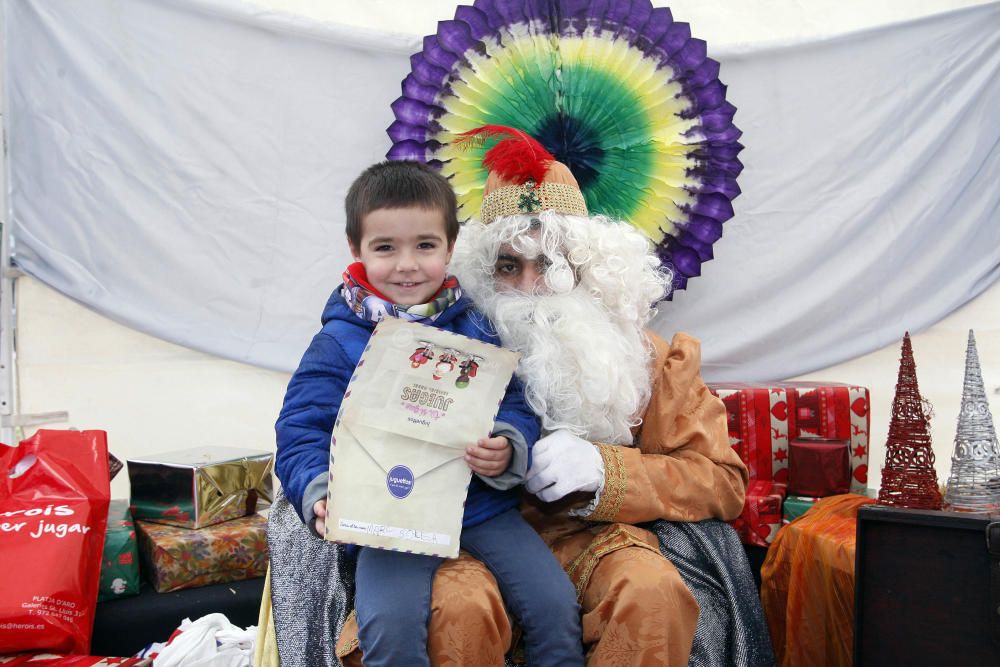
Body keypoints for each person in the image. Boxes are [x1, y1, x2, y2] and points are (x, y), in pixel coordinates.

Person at [327, 128, 751, 666]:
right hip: (466, 533)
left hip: (594, 537)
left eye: (550, 263)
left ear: (586, 269)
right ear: (479, 270)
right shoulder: (436, 346)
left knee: (653, 595)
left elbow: (721, 480)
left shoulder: (651, 360)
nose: (530, 284)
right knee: (457, 609)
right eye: (508, 266)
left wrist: (606, 471)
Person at [274, 160, 585, 666]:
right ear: (356, 249)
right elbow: (300, 429)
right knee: (391, 630)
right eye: (384, 248)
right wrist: (320, 491)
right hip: (386, 513)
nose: (406, 265)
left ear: (450, 245)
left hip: (480, 506)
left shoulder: (478, 329)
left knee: (555, 608)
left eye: (424, 245)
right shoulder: (337, 342)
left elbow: (514, 400)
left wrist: (507, 445)